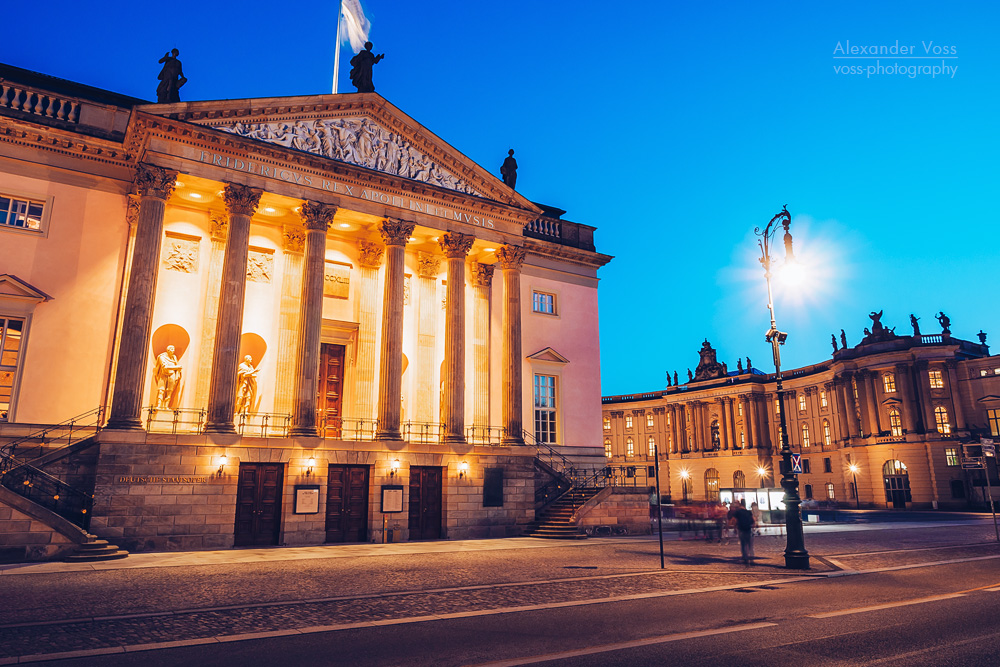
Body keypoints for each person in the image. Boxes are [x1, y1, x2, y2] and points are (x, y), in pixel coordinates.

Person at [729, 499, 756, 565]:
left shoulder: (737, 512)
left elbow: (734, 520)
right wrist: (753, 526)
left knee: (743, 544)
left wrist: (734, 527)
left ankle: (745, 558)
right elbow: (753, 520)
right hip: (748, 528)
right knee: (750, 544)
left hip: (741, 528)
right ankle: (751, 557)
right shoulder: (748, 512)